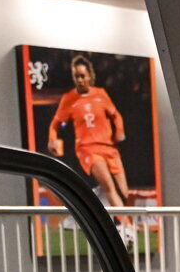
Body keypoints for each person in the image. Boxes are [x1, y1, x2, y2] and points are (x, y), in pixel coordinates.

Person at [47, 55, 132, 235]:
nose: (79, 79)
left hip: (109, 147)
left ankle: (116, 222)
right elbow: (55, 124)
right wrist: (52, 139)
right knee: (109, 185)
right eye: (76, 76)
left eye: (82, 76)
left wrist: (119, 130)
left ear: (89, 76)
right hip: (88, 149)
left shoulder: (100, 94)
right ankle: (127, 228)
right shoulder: (69, 99)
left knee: (124, 191)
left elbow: (116, 115)